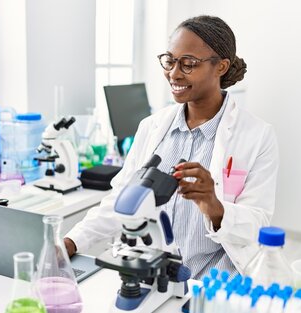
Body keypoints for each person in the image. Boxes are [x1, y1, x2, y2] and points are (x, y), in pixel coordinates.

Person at [64, 15, 279, 279]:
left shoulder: (257, 136)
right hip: (152, 276)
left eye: (188, 64)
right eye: (170, 60)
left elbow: (258, 224)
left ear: (221, 67)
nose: (174, 73)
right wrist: (71, 242)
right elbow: (119, 201)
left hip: (212, 282)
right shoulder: (151, 127)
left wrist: (214, 205)